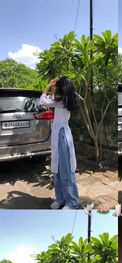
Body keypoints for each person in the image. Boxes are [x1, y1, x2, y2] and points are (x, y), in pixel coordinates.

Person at [39, 77, 79, 210]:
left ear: (61, 89)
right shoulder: (64, 99)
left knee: (66, 170)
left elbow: (42, 101)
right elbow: (51, 100)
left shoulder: (61, 101)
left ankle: (72, 202)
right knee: (56, 169)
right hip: (58, 135)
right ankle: (60, 199)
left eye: (58, 86)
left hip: (62, 137)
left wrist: (49, 85)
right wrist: (55, 88)